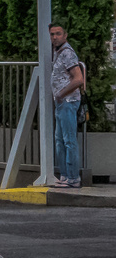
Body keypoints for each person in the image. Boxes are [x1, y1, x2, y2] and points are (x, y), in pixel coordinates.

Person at [50, 23, 86, 189]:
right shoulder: (57, 52)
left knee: (68, 140)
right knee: (60, 140)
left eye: (58, 34)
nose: (55, 37)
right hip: (61, 102)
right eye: (52, 34)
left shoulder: (67, 54)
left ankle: (73, 177)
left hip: (68, 101)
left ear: (65, 35)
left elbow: (78, 79)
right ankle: (64, 175)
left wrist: (61, 94)